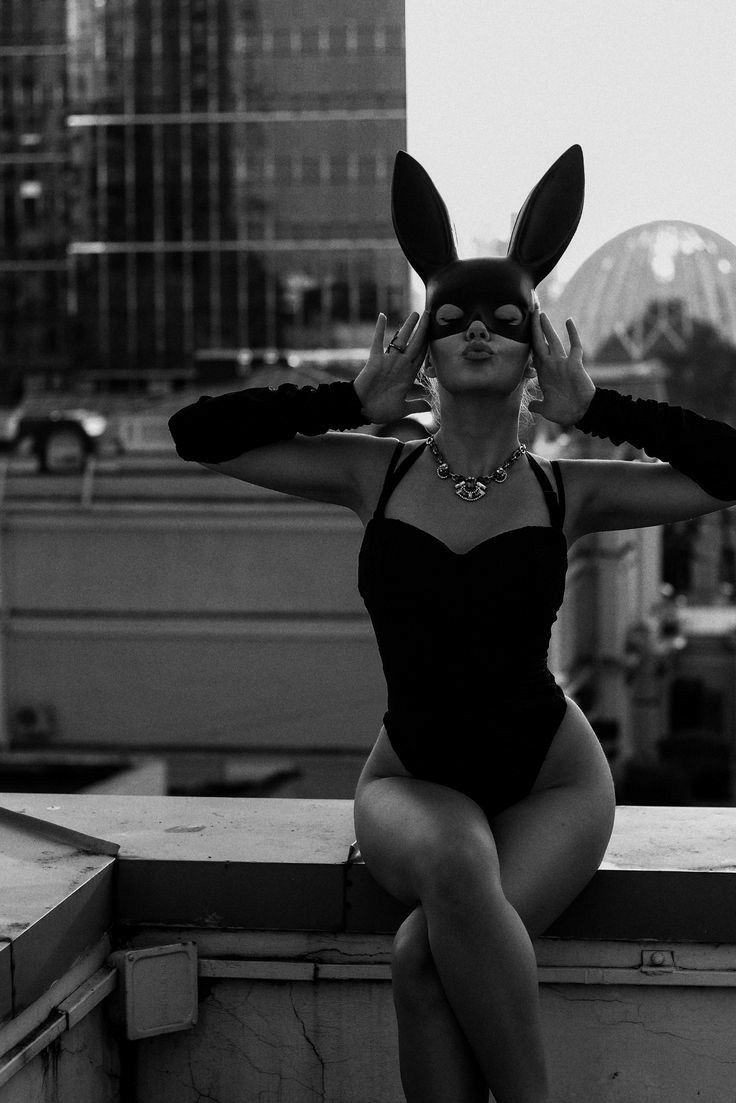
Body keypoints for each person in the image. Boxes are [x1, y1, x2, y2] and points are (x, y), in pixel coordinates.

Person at [168, 147, 736, 1103]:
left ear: (535, 346)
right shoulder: (372, 472)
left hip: (555, 781)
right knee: (455, 853)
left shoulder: (568, 490)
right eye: (453, 317)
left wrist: (600, 408)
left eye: (504, 320)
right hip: (410, 780)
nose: (477, 330)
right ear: (423, 346)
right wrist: (350, 400)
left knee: (421, 961)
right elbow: (198, 433)